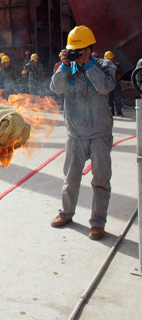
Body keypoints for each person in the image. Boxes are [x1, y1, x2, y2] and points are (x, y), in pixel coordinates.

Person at [49, 25, 116, 240]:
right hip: (75, 135)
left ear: (90, 49)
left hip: (99, 134)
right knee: (71, 177)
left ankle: (97, 223)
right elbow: (56, 88)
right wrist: (64, 66)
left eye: (81, 51)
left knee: (101, 180)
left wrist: (89, 65)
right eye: (74, 51)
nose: (77, 54)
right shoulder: (67, 69)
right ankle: (66, 213)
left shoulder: (105, 66)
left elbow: (105, 87)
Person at [104, 51, 124, 116]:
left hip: (116, 84)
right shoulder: (103, 66)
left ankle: (119, 112)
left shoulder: (116, 66)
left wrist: (115, 78)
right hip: (108, 84)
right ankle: (111, 112)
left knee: (117, 98)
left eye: (110, 59)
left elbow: (120, 74)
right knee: (109, 99)